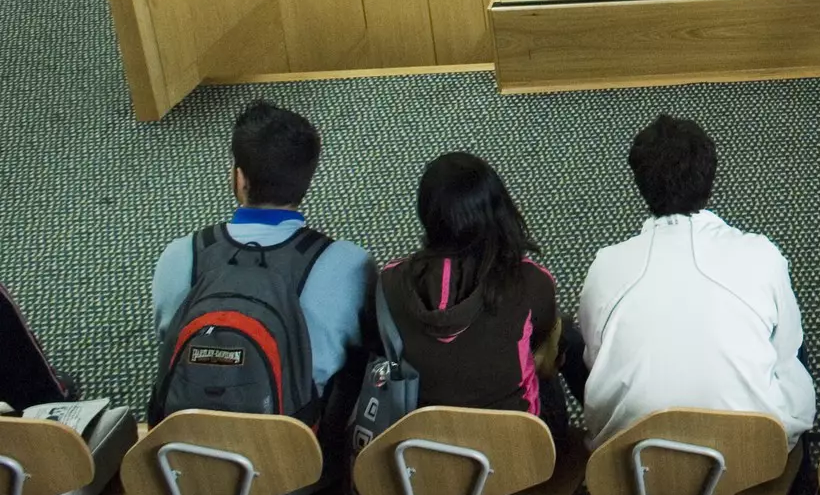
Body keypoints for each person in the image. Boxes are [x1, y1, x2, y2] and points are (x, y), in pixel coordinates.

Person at [577, 115, 815, 449]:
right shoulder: (761, 255)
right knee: (790, 337)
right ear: (711, 180)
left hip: (633, 461)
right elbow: (785, 349)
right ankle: (798, 486)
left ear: (639, 185)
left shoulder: (606, 266)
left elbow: (595, 355)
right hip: (753, 456)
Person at [151, 101, 372, 428]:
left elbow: (166, 336)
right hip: (294, 463)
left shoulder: (179, 256)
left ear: (239, 178)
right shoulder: (349, 265)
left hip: (182, 456)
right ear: (307, 180)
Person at [377, 153, 572, 445]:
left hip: (428, 453)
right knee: (561, 339)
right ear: (498, 210)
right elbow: (542, 339)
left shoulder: (390, 281)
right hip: (521, 452)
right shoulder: (530, 280)